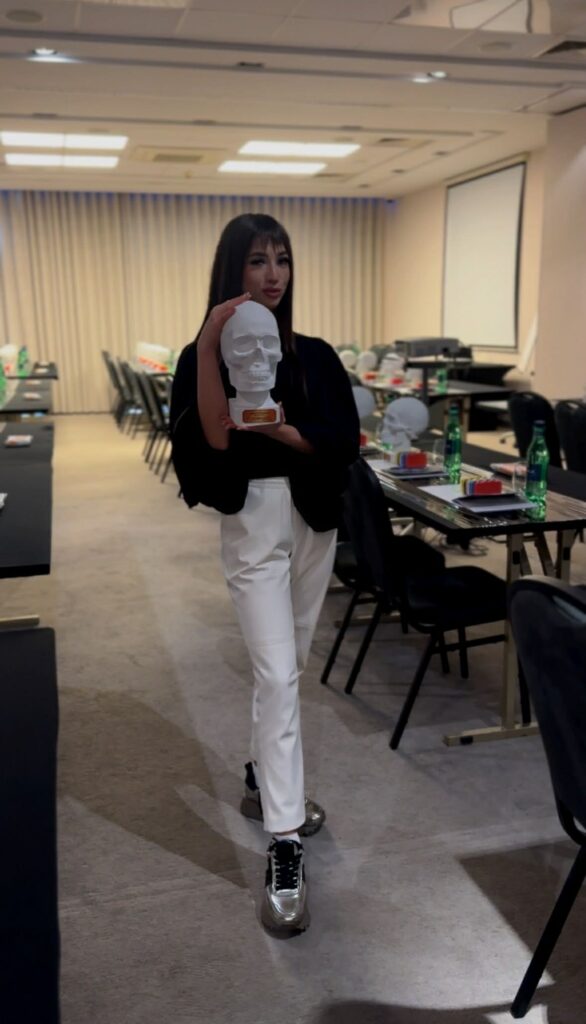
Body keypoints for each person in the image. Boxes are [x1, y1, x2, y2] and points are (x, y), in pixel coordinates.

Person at [170, 212, 360, 935]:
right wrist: (209, 346)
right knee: (277, 676)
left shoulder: (315, 355)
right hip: (254, 523)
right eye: (257, 260)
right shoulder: (203, 357)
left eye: (281, 258)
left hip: (314, 522)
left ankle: (260, 780)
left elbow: (343, 441)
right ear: (232, 271)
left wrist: (280, 429)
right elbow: (209, 452)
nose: (273, 273)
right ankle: (285, 843)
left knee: (289, 668)